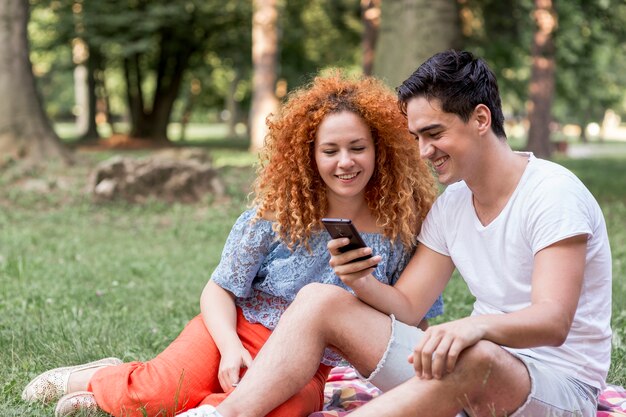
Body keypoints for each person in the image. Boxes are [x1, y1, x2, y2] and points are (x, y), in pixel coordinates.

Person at [177, 50, 613, 417]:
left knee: (474, 358)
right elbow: (406, 308)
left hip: (557, 387)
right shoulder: (453, 205)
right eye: (417, 137)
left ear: (481, 118)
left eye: (434, 133)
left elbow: (553, 322)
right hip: (468, 370)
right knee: (319, 298)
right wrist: (360, 282)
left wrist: (474, 328)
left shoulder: (553, 194)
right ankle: (227, 413)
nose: (424, 152)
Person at [21, 72, 443, 417]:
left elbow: (411, 321)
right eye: (329, 150)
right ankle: (100, 378)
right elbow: (219, 288)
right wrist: (229, 348)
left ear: (381, 150)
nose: (345, 162)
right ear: (309, 155)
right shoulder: (280, 212)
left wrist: (372, 293)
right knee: (159, 393)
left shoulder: (401, 225)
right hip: (239, 330)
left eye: (357, 148)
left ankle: (199, 407)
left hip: (310, 363)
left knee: (276, 411)